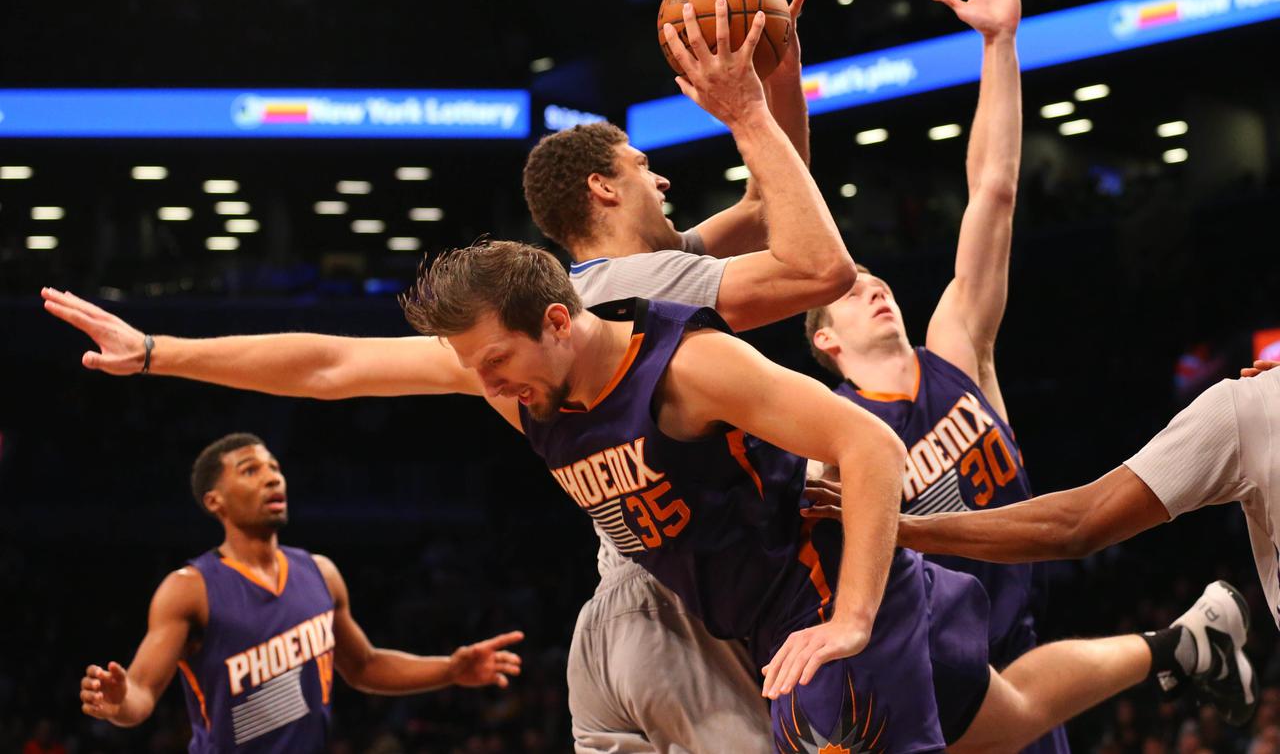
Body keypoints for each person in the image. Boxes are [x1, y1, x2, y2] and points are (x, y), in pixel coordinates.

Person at [47, 0, 848, 754]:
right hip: (685, 612)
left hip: (610, 629)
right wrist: (762, 87)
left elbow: (331, 364)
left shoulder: (578, 300)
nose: (664, 179)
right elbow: (807, 248)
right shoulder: (663, 286)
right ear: (605, 189)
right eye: (644, 169)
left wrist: (159, 350)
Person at [387, 239, 1255, 751]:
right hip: (860, 591)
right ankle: (1178, 641)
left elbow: (871, 442)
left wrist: (850, 619)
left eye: (493, 364)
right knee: (1008, 713)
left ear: (554, 322)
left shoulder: (691, 365)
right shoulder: (528, 392)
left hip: (829, 619)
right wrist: (241, 357)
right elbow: (331, 366)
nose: (486, 384)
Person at [801, 0, 1065, 751]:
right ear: (824, 340)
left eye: (874, 278)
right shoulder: (823, 438)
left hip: (1020, 656)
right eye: (848, 290)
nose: (872, 287)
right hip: (927, 698)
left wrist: (999, 44)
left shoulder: (957, 344)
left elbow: (994, 189)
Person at [79, 433, 523, 750]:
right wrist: (116, 704)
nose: (273, 479)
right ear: (215, 501)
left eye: (275, 468)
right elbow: (139, 692)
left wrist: (450, 669)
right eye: (251, 471)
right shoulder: (188, 589)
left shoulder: (320, 572)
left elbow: (363, 666)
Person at [895, 361, 1279, 670]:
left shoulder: (1251, 405)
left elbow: (1077, 524)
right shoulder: (1251, 406)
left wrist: (898, 527)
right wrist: (900, 527)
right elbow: (1078, 524)